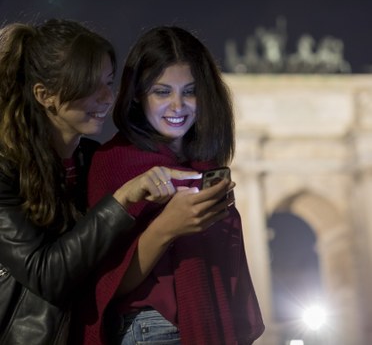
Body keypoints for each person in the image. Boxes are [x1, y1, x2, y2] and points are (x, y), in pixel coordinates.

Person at [0, 19, 232, 345]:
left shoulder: (90, 160)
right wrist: (123, 199)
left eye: (109, 82)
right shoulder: (5, 169)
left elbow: (103, 273)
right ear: (45, 95)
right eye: (90, 85)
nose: (108, 97)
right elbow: (46, 274)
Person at [81, 26, 265, 344]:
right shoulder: (113, 162)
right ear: (138, 94)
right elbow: (108, 283)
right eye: (162, 92)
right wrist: (167, 227)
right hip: (152, 330)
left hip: (211, 327)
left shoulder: (206, 166)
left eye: (190, 91)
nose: (178, 106)